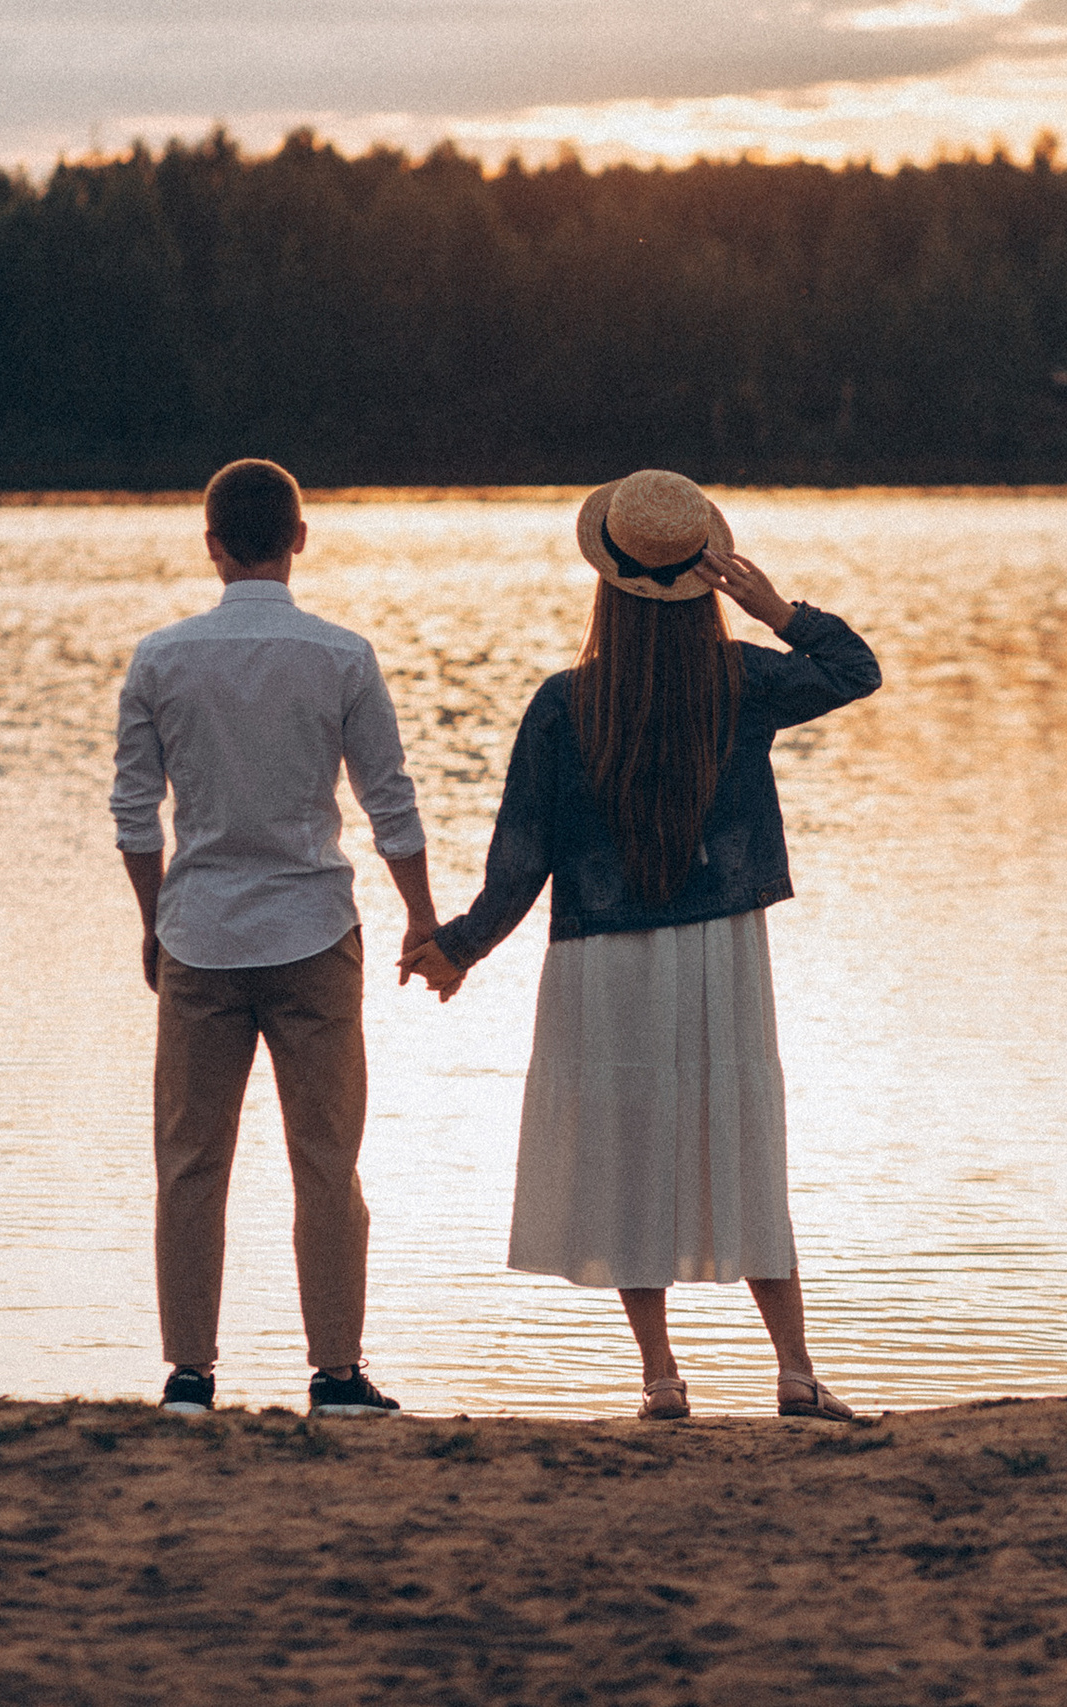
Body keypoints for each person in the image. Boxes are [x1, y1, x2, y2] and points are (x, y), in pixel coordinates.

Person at [400, 469, 880, 1421]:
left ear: (605, 583)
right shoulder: (742, 679)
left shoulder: (564, 701)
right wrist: (776, 606)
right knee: (743, 1141)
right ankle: (795, 1372)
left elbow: (520, 858)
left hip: (602, 955)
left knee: (628, 1148)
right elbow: (853, 670)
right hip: (721, 947)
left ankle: (662, 1379)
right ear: (707, 581)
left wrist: (460, 946)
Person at [110, 458, 437, 1418]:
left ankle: (188, 1377)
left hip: (200, 937)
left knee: (189, 1162)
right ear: (300, 537)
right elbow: (391, 802)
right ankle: (336, 1375)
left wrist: (152, 919)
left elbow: (135, 812)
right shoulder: (342, 655)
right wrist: (421, 917)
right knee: (327, 1161)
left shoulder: (161, 658)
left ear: (211, 543)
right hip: (313, 933)